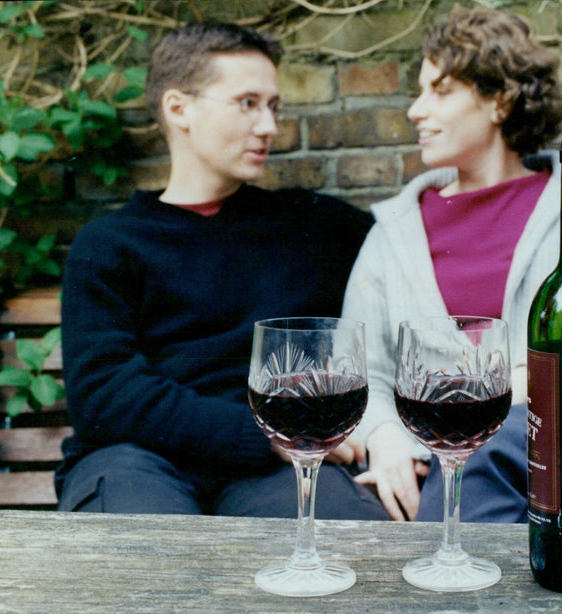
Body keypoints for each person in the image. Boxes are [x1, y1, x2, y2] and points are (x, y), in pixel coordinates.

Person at [342, 6, 562, 522]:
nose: (415, 110)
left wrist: (510, 386)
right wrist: (385, 440)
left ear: (499, 100)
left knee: (484, 465)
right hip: (435, 453)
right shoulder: (394, 230)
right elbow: (362, 367)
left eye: (440, 90)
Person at [55, 22, 388, 519]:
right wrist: (259, 435)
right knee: (136, 559)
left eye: (272, 106)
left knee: (348, 545)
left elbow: (421, 246)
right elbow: (105, 397)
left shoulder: (316, 228)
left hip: (278, 471)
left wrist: (389, 433)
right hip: (137, 462)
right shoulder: (107, 246)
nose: (269, 126)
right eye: (247, 103)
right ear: (178, 108)